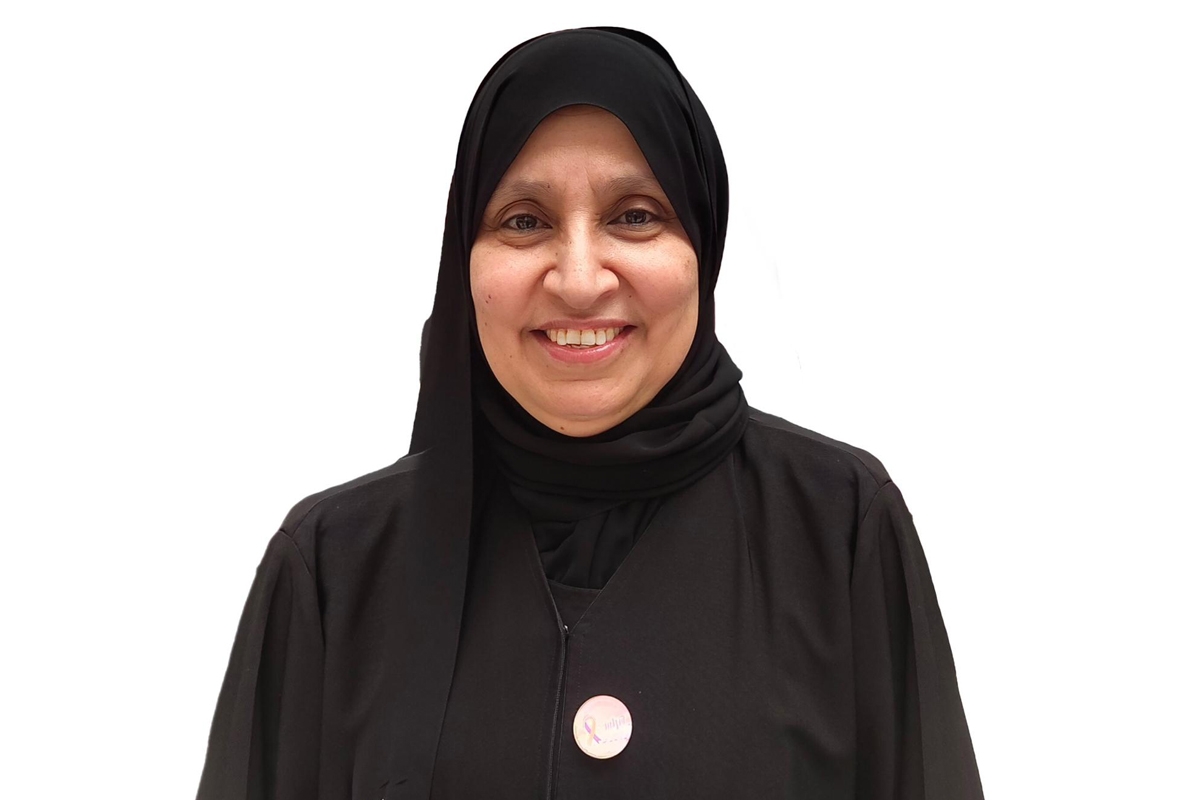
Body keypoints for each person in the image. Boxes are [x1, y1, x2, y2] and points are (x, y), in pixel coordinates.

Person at [196, 26, 985, 800]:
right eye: (524, 221)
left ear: (701, 245)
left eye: (635, 215)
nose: (579, 280)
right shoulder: (335, 571)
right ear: (464, 259)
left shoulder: (838, 529)